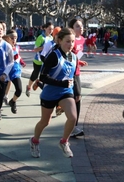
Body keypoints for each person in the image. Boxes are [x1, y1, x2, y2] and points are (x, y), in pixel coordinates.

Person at [29, 28, 78, 158]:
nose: (70, 44)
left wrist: (77, 92)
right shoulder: (53, 56)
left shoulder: (73, 57)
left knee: (73, 117)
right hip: (50, 93)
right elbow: (43, 77)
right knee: (45, 122)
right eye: (68, 41)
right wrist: (61, 83)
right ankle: (34, 141)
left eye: (73, 41)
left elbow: (74, 76)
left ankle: (64, 142)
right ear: (60, 40)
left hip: (66, 92)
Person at [68, 19, 88, 137]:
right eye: (77, 26)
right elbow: (68, 55)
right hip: (70, 72)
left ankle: (74, 126)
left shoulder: (82, 39)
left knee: (77, 97)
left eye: (81, 26)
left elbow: (78, 54)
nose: (80, 28)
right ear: (72, 28)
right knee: (76, 96)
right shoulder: (70, 40)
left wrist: (79, 61)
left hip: (77, 71)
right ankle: (73, 126)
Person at [25, 22, 54, 97]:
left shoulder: (51, 38)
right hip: (38, 60)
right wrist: (43, 47)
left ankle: (41, 87)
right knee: (35, 75)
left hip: (46, 61)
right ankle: (28, 87)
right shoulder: (41, 37)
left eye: (52, 29)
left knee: (45, 76)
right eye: (49, 29)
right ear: (45, 28)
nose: (51, 31)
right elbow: (35, 49)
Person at [2, 29, 26, 114]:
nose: (14, 39)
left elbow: (18, 56)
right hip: (5, 72)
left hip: (15, 71)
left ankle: (13, 101)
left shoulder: (17, 46)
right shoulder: (3, 47)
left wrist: (22, 62)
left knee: (19, 90)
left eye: (16, 37)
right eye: (12, 37)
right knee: (1, 93)